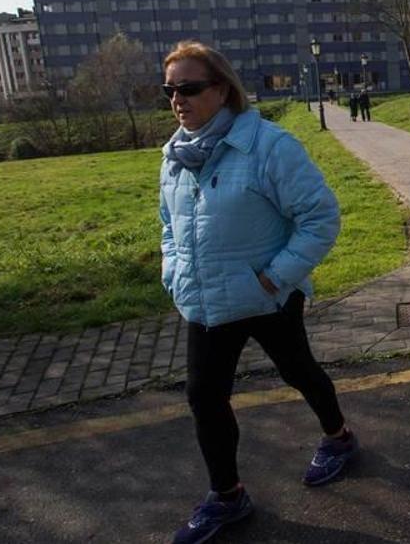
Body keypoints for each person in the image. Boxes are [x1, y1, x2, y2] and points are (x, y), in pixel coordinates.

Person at [158, 40, 357, 544]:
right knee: (204, 396)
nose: (178, 99)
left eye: (189, 87)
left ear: (222, 89)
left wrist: (274, 277)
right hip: (205, 301)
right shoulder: (174, 155)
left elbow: (319, 217)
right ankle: (227, 496)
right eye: (170, 90)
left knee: (298, 371)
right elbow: (167, 224)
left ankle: (338, 438)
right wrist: (173, 270)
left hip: (267, 295)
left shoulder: (269, 145)